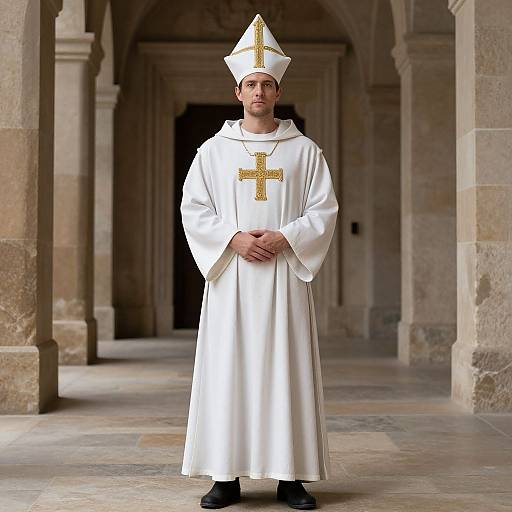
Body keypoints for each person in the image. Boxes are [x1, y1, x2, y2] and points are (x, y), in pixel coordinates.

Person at [180, 13, 339, 510]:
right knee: (228, 371)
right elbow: (194, 208)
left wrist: (285, 237)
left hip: (283, 278)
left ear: (277, 91)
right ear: (238, 92)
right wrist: (232, 239)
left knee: (285, 373)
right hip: (232, 278)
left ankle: (291, 477)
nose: (258, 92)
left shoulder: (305, 151)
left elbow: (324, 209)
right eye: (250, 84)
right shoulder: (212, 153)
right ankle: (224, 476)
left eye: (266, 84)